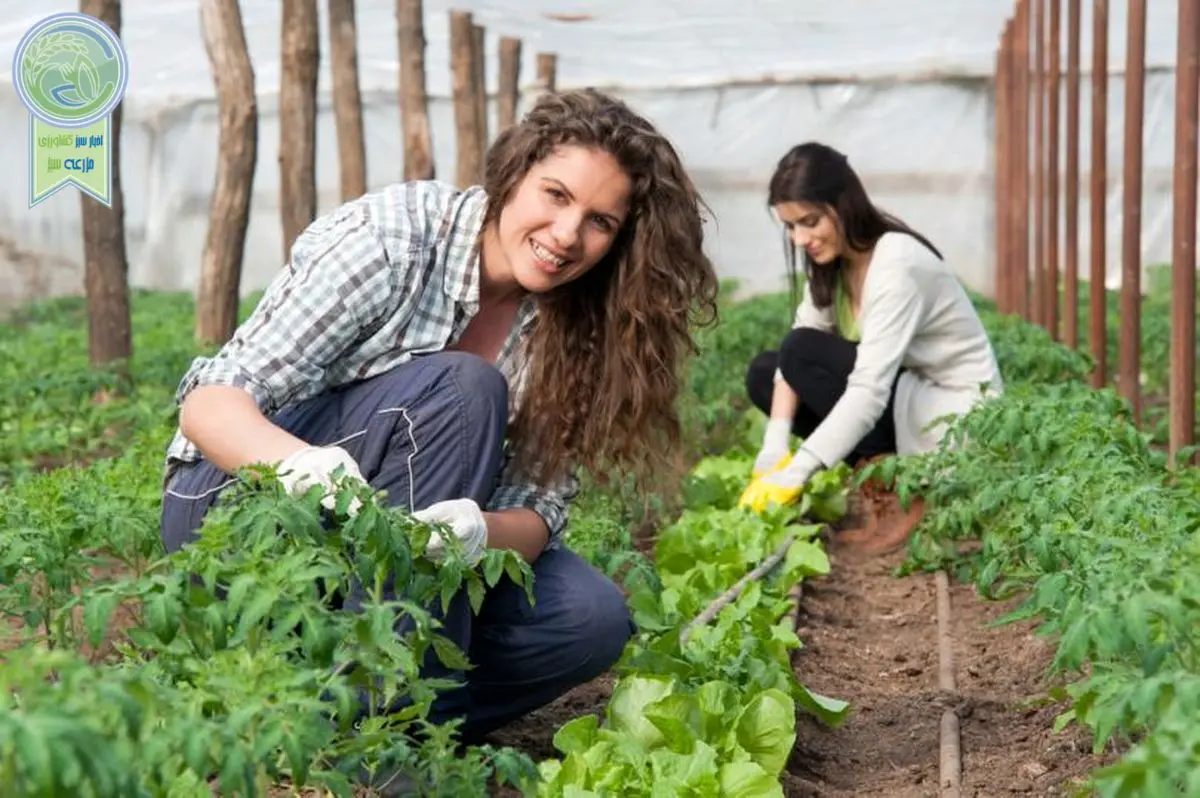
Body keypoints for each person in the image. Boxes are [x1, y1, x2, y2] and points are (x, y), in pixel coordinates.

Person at [160, 88, 720, 745]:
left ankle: (326, 713)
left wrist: (477, 532)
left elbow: (540, 508)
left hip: (386, 556)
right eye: (556, 195)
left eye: (601, 222)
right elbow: (210, 402)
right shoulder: (395, 238)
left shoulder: (581, 326)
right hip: (239, 511)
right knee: (462, 389)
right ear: (514, 174)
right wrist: (299, 465)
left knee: (588, 620)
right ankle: (397, 739)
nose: (567, 235)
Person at [739, 142, 1003, 514]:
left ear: (843, 204)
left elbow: (869, 389)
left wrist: (800, 469)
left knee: (802, 351)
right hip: (906, 401)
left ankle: (897, 488)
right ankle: (876, 472)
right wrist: (775, 444)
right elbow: (792, 354)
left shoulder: (896, 262)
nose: (800, 239)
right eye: (790, 227)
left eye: (810, 221)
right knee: (766, 372)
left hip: (952, 417)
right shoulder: (834, 264)